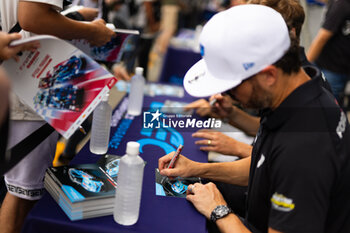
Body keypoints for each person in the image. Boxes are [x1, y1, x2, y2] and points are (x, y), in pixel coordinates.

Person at [159, 4, 350, 232]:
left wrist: (219, 211)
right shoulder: (295, 95)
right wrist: (196, 169)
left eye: (232, 88)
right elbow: (263, 168)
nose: (229, 97)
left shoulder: (304, 147)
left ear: (269, 75)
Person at [0, 1, 115, 232]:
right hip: (28, 83)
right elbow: (32, 17)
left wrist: (74, 16)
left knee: (19, 188)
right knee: (22, 194)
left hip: (22, 77)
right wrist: (93, 31)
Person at [185, 0, 332, 159]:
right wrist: (230, 114)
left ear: (290, 33)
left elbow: (289, 159)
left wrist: (236, 148)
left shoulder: (298, 86)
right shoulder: (289, 76)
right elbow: (267, 128)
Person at [307, 0, 350, 103]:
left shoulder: (341, 5)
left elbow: (322, 38)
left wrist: (305, 65)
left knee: (328, 106)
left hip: (332, 68)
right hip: (336, 66)